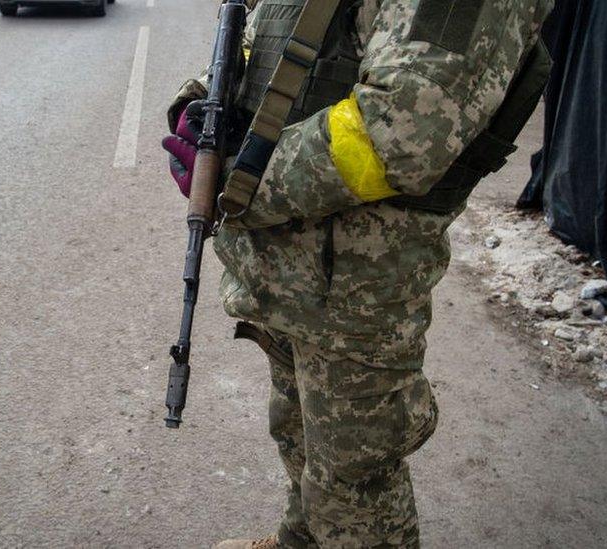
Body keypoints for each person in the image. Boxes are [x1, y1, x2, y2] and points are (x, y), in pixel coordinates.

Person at [163, 1, 553, 547]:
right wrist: (205, 99)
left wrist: (241, 181)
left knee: (353, 477)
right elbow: (270, 31)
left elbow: (404, 130)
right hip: (292, 265)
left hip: (355, 282)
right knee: (299, 429)